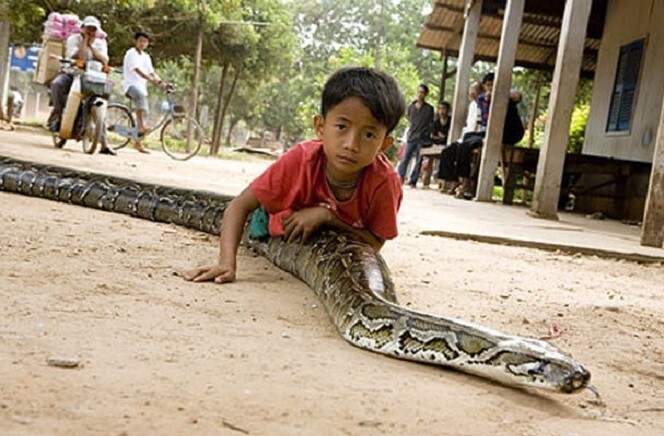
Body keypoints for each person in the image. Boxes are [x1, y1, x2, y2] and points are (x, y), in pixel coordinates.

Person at [182, 67, 406, 284]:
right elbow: (238, 206)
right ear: (320, 127)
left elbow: (374, 244)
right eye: (341, 127)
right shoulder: (302, 158)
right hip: (280, 220)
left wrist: (327, 216)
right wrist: (226, 263)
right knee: (264, 219)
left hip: (323, 231)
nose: (351, 144)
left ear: (384, 145)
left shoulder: (385, 181)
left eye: (368, 134)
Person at [48, 16, 114, 154]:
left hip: (92, 77)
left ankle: (104, 144)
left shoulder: (101, 43)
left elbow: (104, 60)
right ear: (82, 28)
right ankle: (59, 116)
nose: (90, 31)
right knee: (57, 84)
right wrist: (84, 41)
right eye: (88, 28)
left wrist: (91, 45)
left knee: (100, 103)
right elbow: (80, 57)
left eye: (93, 29)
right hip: (72, 74)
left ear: (97, 31)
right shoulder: (73, 39)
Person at [122, 30, 168, 154]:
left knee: (143, 112)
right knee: (141, 98)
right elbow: (137, 70)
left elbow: (152, 72)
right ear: (135, 41)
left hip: (142, 88)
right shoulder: (131, 53)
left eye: (145, 41)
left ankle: (138, 143)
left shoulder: (146, 57)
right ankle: (142, 127)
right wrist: (150, 79)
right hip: (130, 86)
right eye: (140, 41)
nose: (142, 43)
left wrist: (162, 83)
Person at [396, 84, 434, 188]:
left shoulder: (429, 109)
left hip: (422, 138)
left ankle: (413, 181)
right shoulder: (411, 107)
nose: (420, 94)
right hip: (411, 136)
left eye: (422, 92)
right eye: (419, 92)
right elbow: (410, 121)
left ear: (425, 94)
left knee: (419, 160)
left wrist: (426, 134)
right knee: (405, 159)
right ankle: (400, 178)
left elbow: (431, 124)